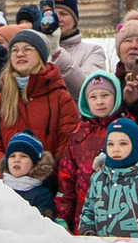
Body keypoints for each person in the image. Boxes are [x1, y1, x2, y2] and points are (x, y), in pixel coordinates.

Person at [0, 27, 73, 176]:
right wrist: (7, 171)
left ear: (41, 56)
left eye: (27, 49)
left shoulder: (61, 98)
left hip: (47, 185)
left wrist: (41, 173)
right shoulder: (0, 100)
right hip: (7, 185)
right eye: (15, 50)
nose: (20, 54)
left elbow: (67, 143)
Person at [75, 114, 138, 240]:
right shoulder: (98, 179)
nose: (116, 149)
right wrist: (89, 235)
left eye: (123, 144)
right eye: (110, 144)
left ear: (135, 145)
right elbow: (88, 211)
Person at [55, 69, 131, 231]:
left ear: (116, 96)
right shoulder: (78, 135)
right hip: (84, 218)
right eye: (93, 97)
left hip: (124, 217)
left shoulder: (130, 130)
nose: (100, 102)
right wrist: (62, 217)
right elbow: (66, 180)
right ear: (85, 101)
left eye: (105, 95)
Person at [42, 0, 105, 89]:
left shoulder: (93, 51)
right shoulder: (37, 50)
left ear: (75, 21)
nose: (58, 19)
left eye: (63, 13)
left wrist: (57, 52)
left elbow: (88, 88)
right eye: (53, 15)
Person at [0, 131, 59, 218]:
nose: (17, 160)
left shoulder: (42, 195)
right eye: (12, 156)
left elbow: (44, 225)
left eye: (23, 156)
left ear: (35, 163)